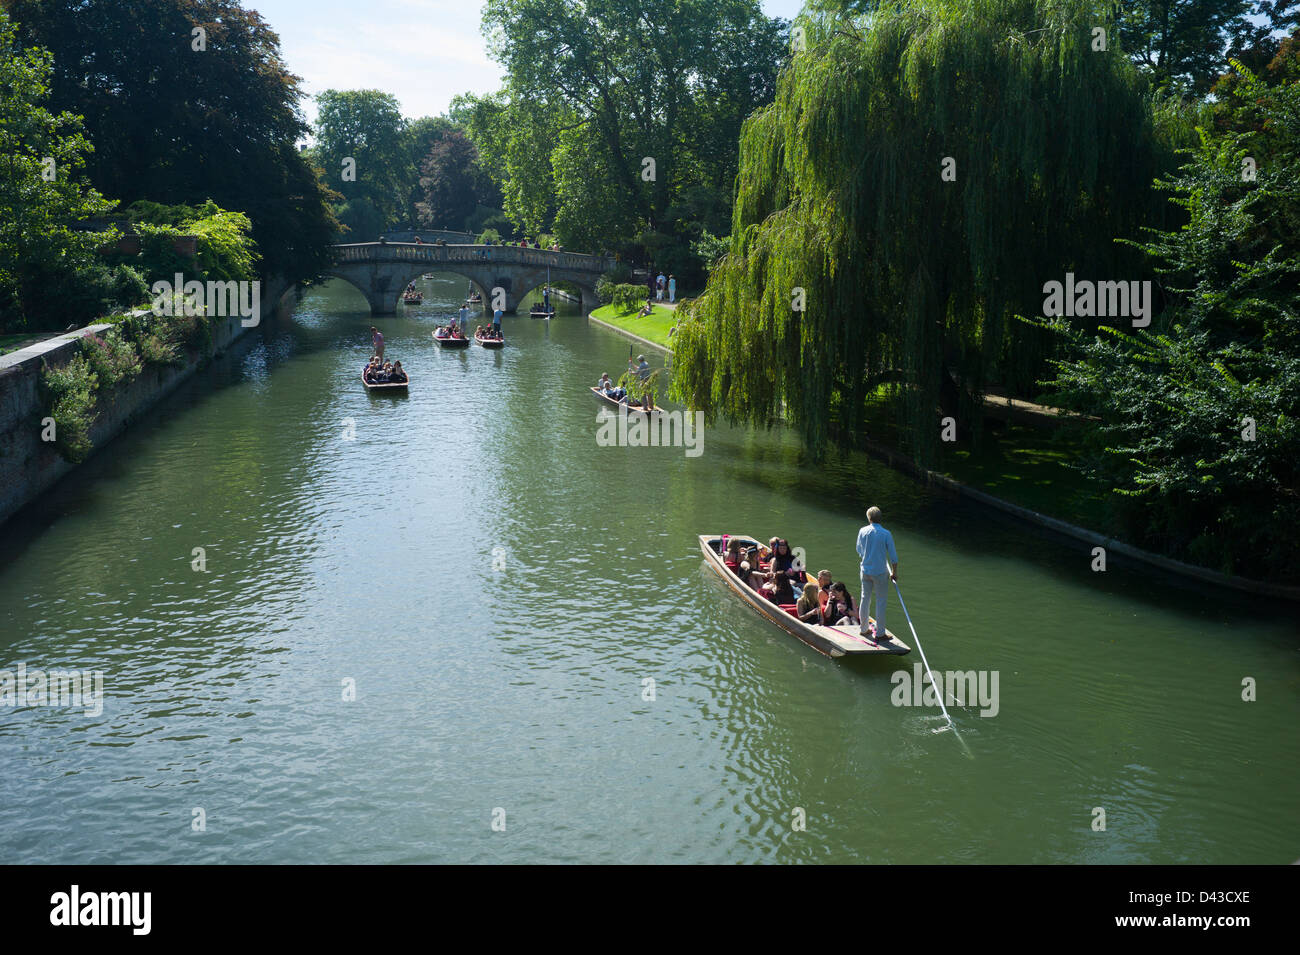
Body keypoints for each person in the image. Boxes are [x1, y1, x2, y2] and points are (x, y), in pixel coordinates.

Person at [856, 505, 898, 641]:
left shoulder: (862, 531)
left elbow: (859, 550)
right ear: (880, 518)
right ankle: (880, 633)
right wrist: (894, 572)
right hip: (880, 572)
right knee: (881, 601)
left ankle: (863, 629)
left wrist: (868, 555)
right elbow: (893, 556)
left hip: (865, 570)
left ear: (869, 518)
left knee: (865, 599)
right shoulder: (886, 534)